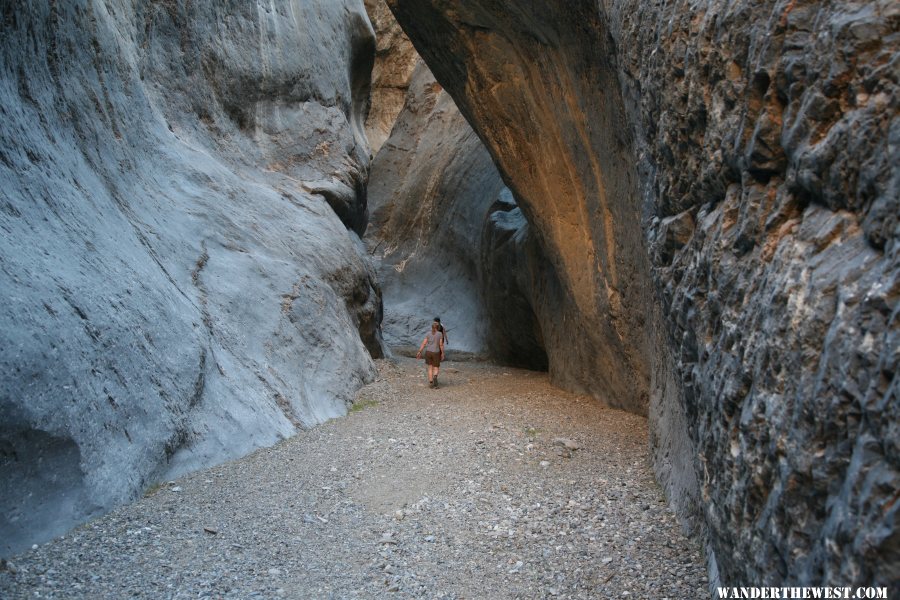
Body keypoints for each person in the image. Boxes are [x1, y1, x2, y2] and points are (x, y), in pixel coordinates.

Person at [416, 320, 445, 388]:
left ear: (432, 327)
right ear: (437, 328)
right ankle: (435, 377)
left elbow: (424, 343)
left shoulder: (428, 334)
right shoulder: (440, 334)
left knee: (430, 368)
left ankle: (431, 382)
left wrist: (419, 351)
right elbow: (441, 344)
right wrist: (442, 353)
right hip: (436, 352)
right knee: (436, 367)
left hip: (428, 352)